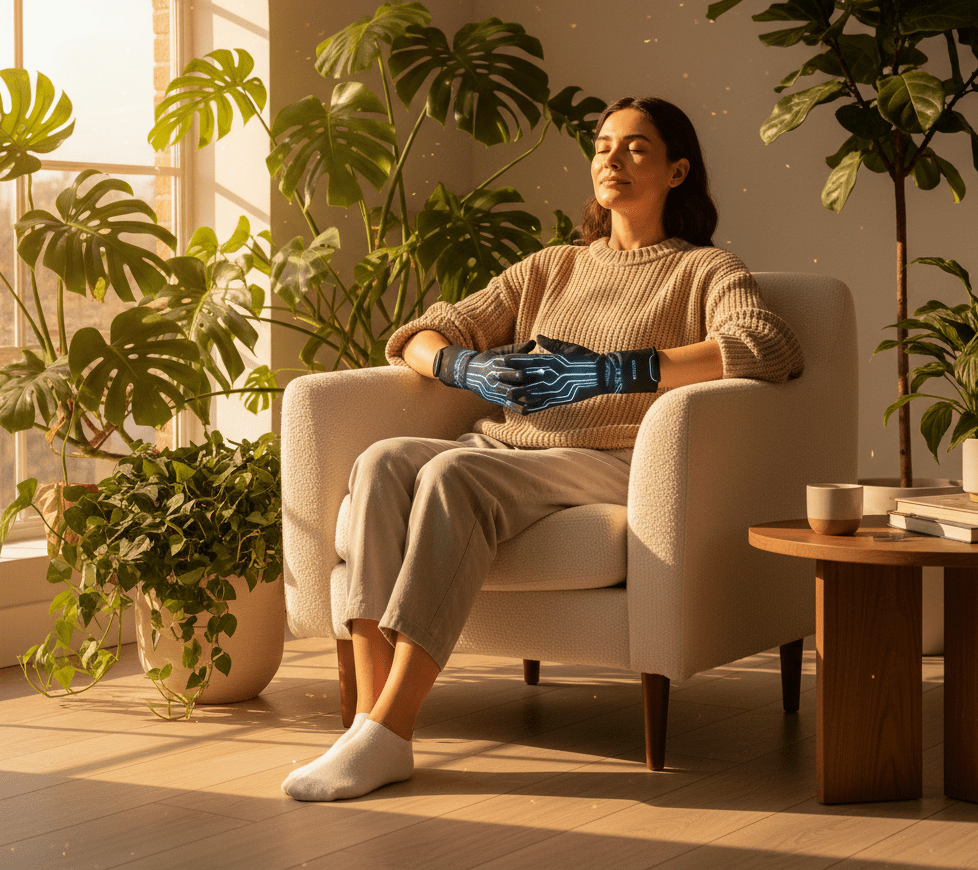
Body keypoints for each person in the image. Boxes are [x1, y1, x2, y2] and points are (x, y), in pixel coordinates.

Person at [281, 96, 804, 802]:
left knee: (454, 474)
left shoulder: (706, 270)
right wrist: (462, 366)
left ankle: (388, 729)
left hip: (612, 459)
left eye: (636, 147)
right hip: (511, 448)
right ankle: (374, 729)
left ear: (677, 172)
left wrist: (614, 371)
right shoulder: (552, 267)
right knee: (380, 462)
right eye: (603, 145)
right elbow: (421, 332)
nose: (612, 159)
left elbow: (768, 347)